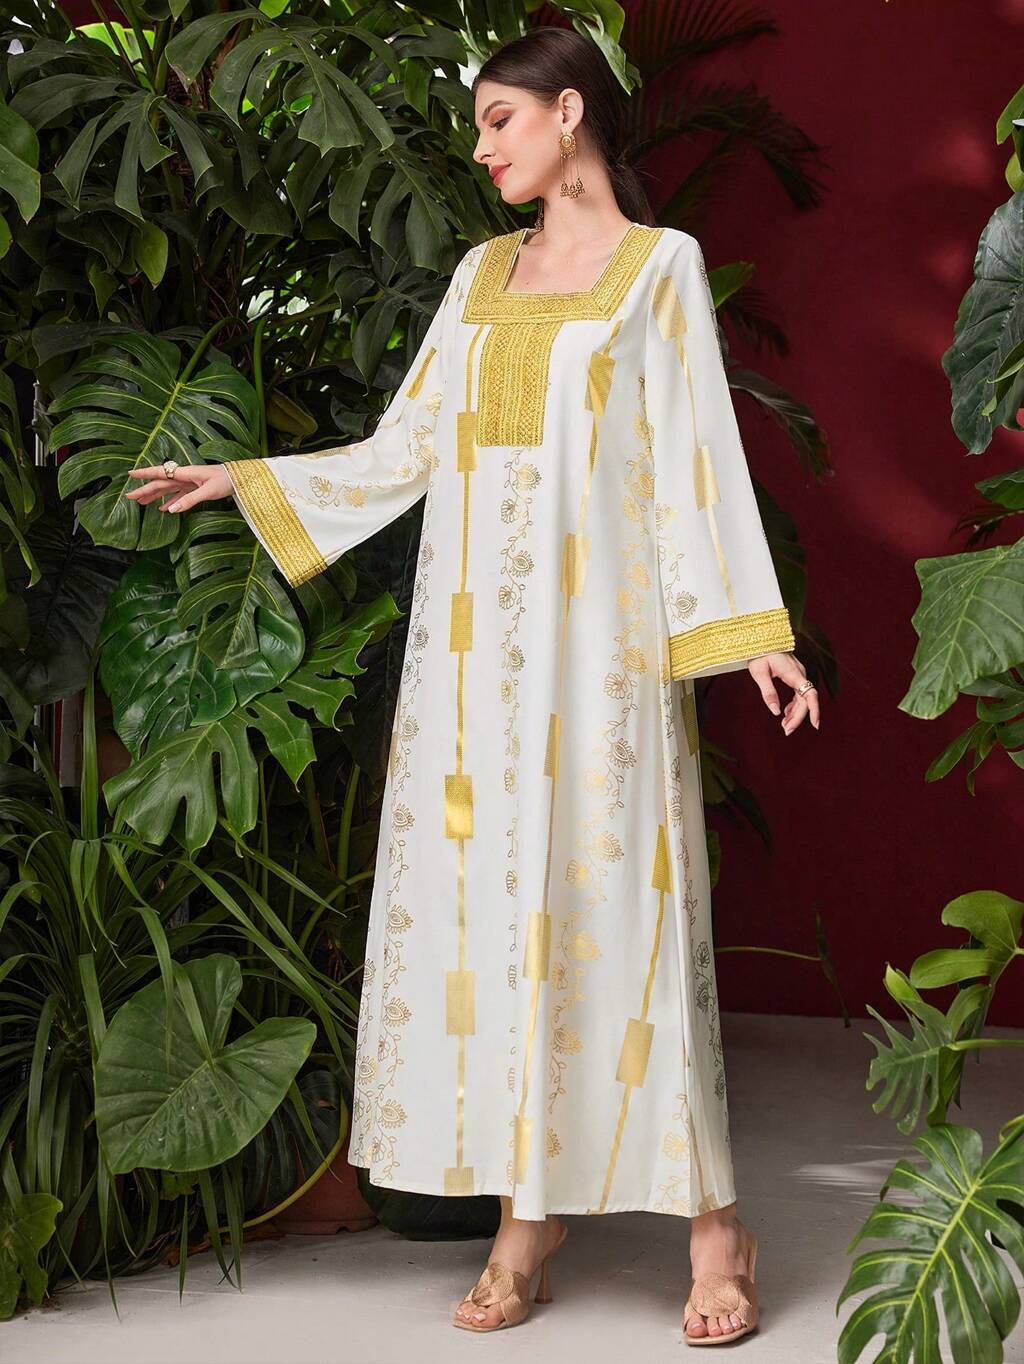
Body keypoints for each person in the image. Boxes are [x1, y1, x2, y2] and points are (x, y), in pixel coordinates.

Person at [125, 25, 819, 1345]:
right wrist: (243, 480)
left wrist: (753, 635)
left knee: (630, 916)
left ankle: (714, 1228)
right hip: (469, 673)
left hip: (604, 658)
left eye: (501, 119)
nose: (484, 147)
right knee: (493, 921)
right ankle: (524, 1220)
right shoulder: (481, 274)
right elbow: (410, 448)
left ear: (570, 113)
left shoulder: (659, 268)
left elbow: (697, 458)